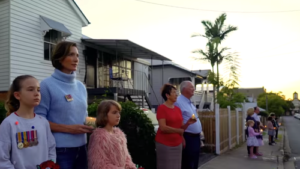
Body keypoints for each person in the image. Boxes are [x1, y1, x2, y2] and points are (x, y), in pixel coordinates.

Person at [35, 41, 93, 169]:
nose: (76, 59)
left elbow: (84, 115)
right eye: (71, 55)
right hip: (60, 150)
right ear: (59, 58)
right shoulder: (46, 85)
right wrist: (68, 129)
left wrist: (93, 125)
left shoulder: (81, 87)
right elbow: (38, 120)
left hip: (82, 148)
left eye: (77, 55)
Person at [0, 75, 56, 168]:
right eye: (30, 89)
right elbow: (2, 158)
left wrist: (49, 166)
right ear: (17, 95)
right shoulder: (9, 124)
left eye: (38, 90)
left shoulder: (43, 122)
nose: (36, 93)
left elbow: (51, 149)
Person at [155, 84, 196, 169]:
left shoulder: (177, 109)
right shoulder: (161, 108)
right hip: (165, 144)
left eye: (176, 92)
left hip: (177, 144)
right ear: (167, 95)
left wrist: (188, 123)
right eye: (174, 92)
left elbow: (181, 128)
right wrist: (178, 131)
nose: (176, 94)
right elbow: (163, 128)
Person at [88, 100, 136, 169]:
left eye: (119, 113)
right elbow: (98, 165)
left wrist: (130, 166)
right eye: (114, 113)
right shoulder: (99, 137)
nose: (118, 115)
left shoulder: (120, 134)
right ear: (104, 115)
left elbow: (126, 157)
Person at [174, 81, 202, 169]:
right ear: (184, 89)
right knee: (188, 163)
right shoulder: (178, 102)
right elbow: (176, 121)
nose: (194, 89)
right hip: (188, 137)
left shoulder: (189, 102)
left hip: (196, 138)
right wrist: (181, 137)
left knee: (195, 163)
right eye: (191, 87)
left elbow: (192, 118)